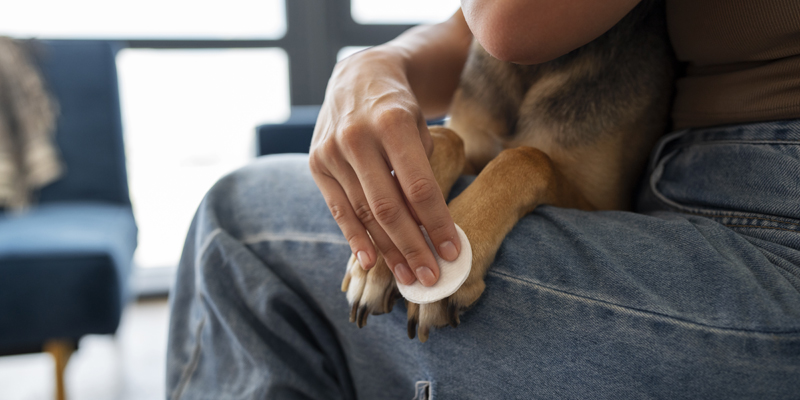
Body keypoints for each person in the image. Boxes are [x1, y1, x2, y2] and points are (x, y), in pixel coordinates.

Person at [166, 1, 800, 398]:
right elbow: (470, 30)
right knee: (440, 150)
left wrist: (512, 176)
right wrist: (372, 66)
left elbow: (505, 22)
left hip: (765, 227)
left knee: (239, 222)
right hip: (695, 194)